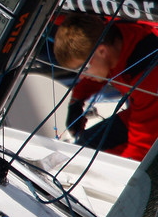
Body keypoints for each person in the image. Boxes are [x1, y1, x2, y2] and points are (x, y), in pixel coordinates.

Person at [53, 12, 158, 161]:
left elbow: (142, 147)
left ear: (102, 51)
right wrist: (77, 100)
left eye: (83, 68)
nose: (82, 76)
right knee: (85, 148)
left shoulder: (147, 77)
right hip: (143, 113)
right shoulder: (109, 36)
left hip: (151, 123)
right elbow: (99, 71)